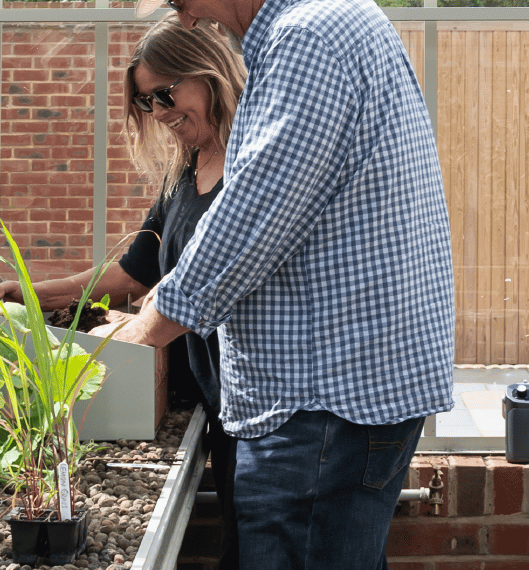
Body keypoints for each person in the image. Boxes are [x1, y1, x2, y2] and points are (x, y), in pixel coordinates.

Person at [88, 0, 457, 568]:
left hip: (323, 403)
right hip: (338, 398)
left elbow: (250, 223)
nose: (184, 19)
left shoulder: (308, 38)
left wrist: (132, 344)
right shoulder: (329, 23)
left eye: (181, 4)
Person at [0, 14, 246, 566]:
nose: (162, 113)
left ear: (210, 75)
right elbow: (131, 273)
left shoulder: (253, 167)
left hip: (263, 404)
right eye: (150, 102)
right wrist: (30, 294)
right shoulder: (186, 170)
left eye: (167, 94)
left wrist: (138, 327)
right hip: (219, 401)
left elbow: (208, 282)